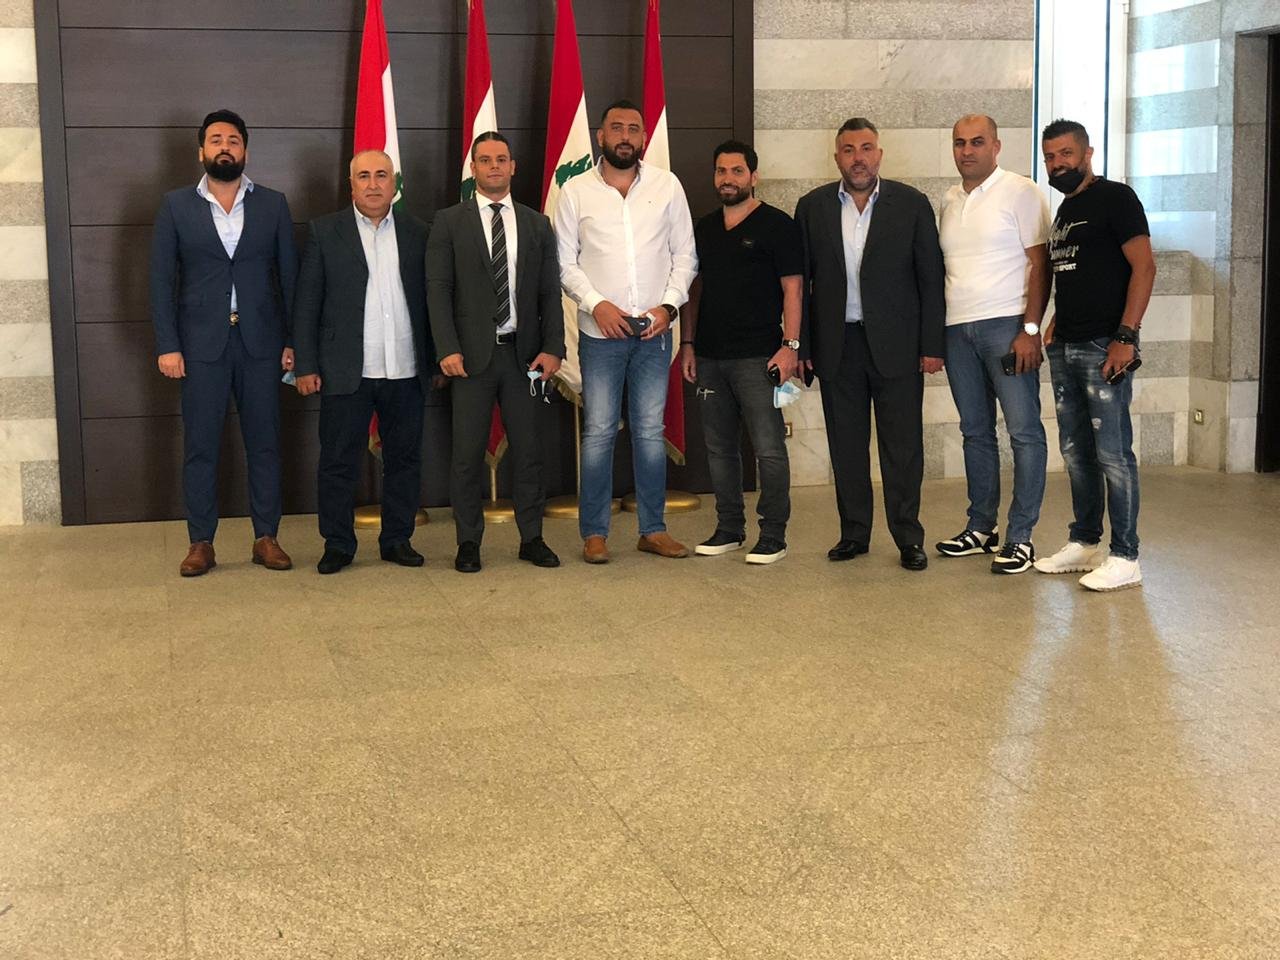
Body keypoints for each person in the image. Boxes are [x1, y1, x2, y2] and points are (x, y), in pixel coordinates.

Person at [793, 117, 946, 571]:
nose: (857, 158)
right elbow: (801, 285)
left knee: (903, 448)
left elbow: (930, 279)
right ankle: (854, 533)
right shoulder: (812, 207)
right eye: (848, 150)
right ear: (836, 157)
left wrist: (932, 345)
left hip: (898, 347)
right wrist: (801, 347)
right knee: (847, 447)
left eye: (865, 148)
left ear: (879, 154)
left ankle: (909, 538)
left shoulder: (911, 204)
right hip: (837, 346)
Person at [150, 108, 297, 578]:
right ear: (202, 151)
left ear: (245, 150)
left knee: (265, 444)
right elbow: (161, 282)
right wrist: (168, 344)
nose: (225, 147)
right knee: (201, 446)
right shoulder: (176, 206)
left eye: (233, 140)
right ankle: (201, 542)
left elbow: (290, 280)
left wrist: (293, 340)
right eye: (216, 140)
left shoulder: (272, 204)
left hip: (261, 345)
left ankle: (266, 537)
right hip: (200, 347)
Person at [555, 99, 698, 564]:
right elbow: (564, 262)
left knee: (649, 432)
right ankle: (594, 534)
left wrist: (668, 307)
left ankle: (652, 530)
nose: (625, 136)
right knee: (599, 432)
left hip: (654, 333)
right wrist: (597, 305)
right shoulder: (575, 191)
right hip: (600, 336)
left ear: (643, 138)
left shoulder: (667, 185)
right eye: (616, 127)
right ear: (600, 136)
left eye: (633, 129)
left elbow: (685, 256)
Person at [427, 132, 564, 573]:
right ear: (473, 168)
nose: (494, 167)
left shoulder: (537, 224)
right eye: (485, 160)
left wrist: (554, 348)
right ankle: (468, 542)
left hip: (525, 357)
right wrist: (446, 348)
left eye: (501, 159)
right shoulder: (449, 221)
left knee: (530, 452)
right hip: (470, 360)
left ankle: (532, 538)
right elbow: (438, 290)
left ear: (513, 166)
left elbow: (549, 292)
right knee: (466, 456)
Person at [291, 150, 432, 575]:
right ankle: (337, 543)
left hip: (405, 367)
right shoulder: (325, 231)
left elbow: (432, 301)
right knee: (338, 461)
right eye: (364, 176)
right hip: (345, 368)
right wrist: (305, 365)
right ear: (350, 185)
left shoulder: (419, 232)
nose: (373, 184)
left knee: (404, 460)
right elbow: (307, 304)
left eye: (381, 175)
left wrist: (437, 359)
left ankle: (397, 539)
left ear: (395, 184)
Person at [1035, 119, 1156, 591]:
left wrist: (1126, 335)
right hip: (1067, 345)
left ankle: (1125, 555)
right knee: (1076, 450)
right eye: (1050, 157)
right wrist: (1055, 321)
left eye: (1066, 154)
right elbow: (1075, 273)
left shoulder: (1117, 198)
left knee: (1113, 454)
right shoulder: (1066, 209)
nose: (1057, 164)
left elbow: (1144, 267)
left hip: (1105, 345)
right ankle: (1085, 542)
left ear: (1087, 153)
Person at [935, 114, 1051, 574]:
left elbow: (1040, 264)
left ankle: (1021, 537)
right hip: (956, 330)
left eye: (977, 142)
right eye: (959, 142)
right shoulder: (948, 200)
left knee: (1024, 432)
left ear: (996, 146)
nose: (967, 150)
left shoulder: (1021, 191)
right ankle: (981, 527)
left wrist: (1030, 329)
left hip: (1007, 327)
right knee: (975, 432)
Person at [680, 139, 801, 565]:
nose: (727, 178)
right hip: (710, 357)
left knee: (769, 449)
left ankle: (773, 535)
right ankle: (730, 528)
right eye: (721, 171)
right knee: (719, 449)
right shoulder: (704, 229)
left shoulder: (778, 225)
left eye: (736, 171)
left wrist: (790, 347)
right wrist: (688, 344)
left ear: (754, 176)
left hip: (760, 358)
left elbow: (793, 290)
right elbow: (693, 291)